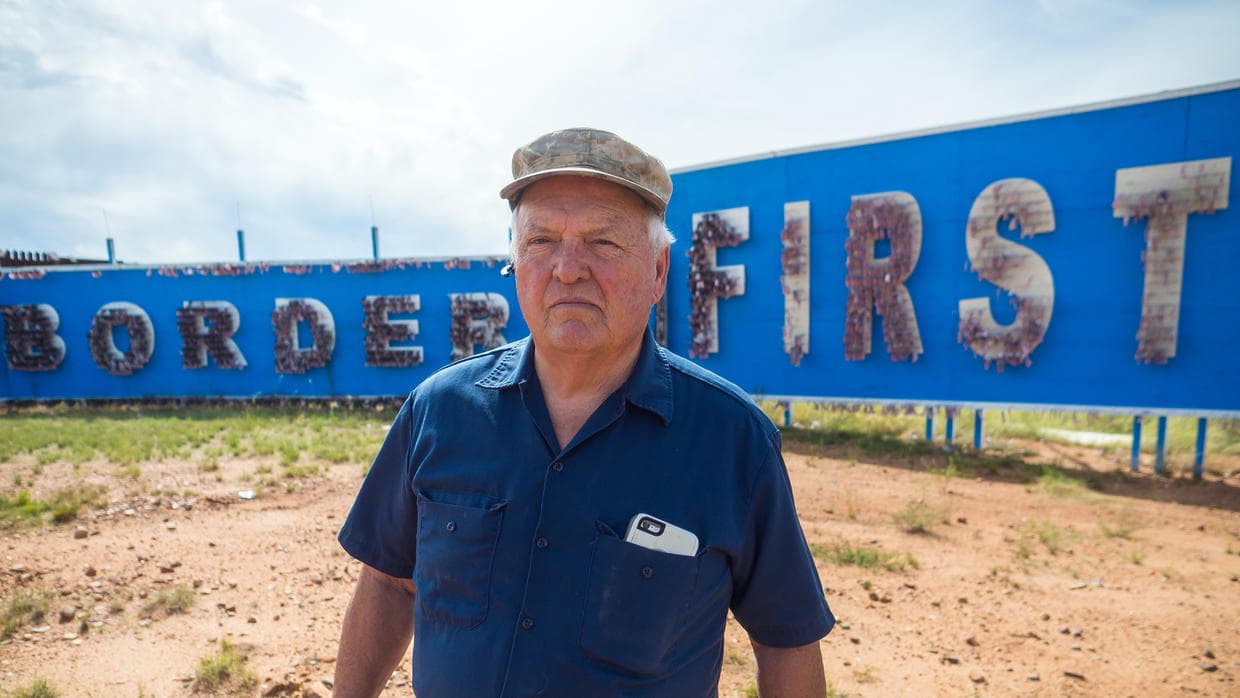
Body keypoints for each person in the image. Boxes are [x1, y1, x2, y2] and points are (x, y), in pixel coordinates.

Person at [334, 128, 834, 697]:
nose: (568, 268)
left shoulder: (731, 440)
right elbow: (389, 584)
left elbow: (785, 639)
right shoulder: (439, 411)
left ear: (659, 270)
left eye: (603, 242)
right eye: (541, 241)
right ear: (516, 262)